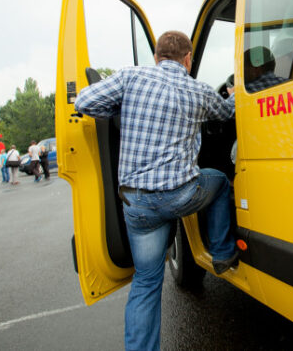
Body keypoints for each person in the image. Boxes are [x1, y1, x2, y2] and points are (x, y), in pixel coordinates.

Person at [75, 30, 238, 351]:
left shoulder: (130, 77)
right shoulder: (199, 90)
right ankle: (222, 253)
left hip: (138, 203)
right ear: (188, 59)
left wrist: (119, 111)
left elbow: (83, 101)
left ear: (156, 57)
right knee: (219, 180)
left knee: (147, 282)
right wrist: (233, 93)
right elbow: (226, 112)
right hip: (181, 195)